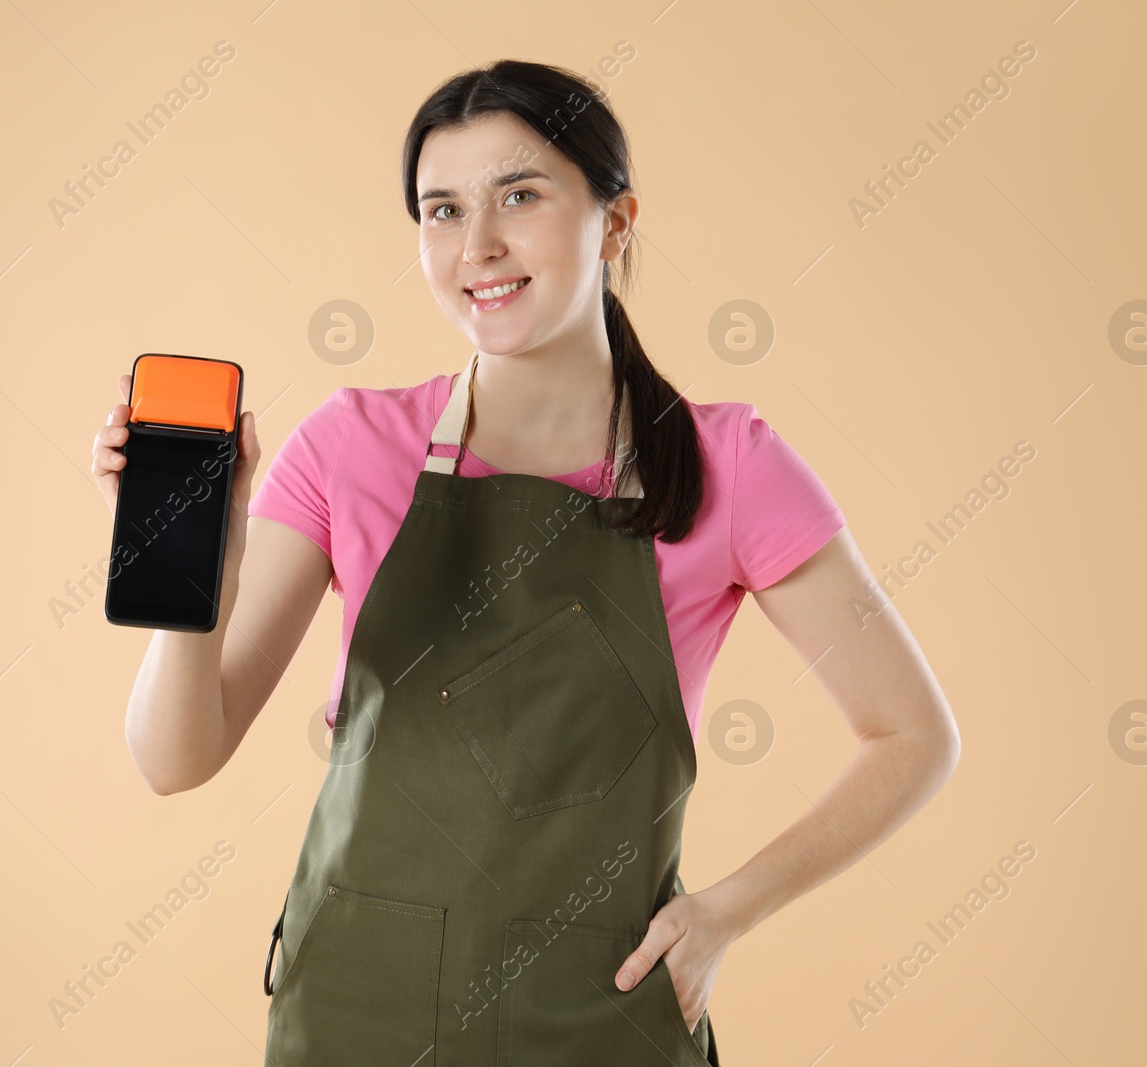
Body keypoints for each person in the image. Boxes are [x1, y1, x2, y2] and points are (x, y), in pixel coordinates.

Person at [92, 59, 959, 1066]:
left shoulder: (727, 465)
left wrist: (726, 909)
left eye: (519, 195)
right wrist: (198, 561)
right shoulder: (350, 445)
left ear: (616, 220)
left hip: (602, 1018)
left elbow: (912, 735)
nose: (479, 246)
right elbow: (174, 757)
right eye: (441, 210)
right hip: (358, 1013)